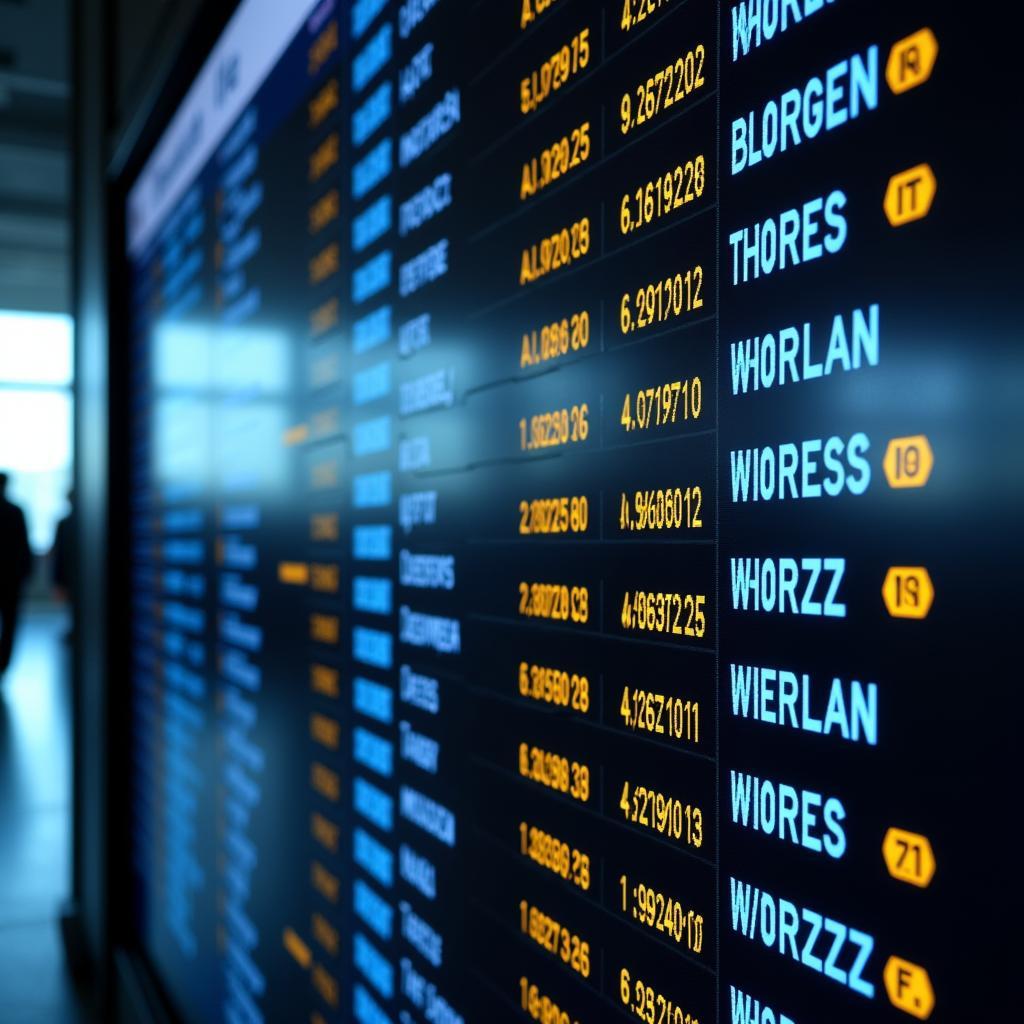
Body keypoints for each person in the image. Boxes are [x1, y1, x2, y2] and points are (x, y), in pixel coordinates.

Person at [0, 472, 33, 677]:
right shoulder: (15, 511)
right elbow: (23, 547)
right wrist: (25, 574)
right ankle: (3, 664)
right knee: (11, 622)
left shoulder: (15, 511)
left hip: (11, 576)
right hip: (11, 578)